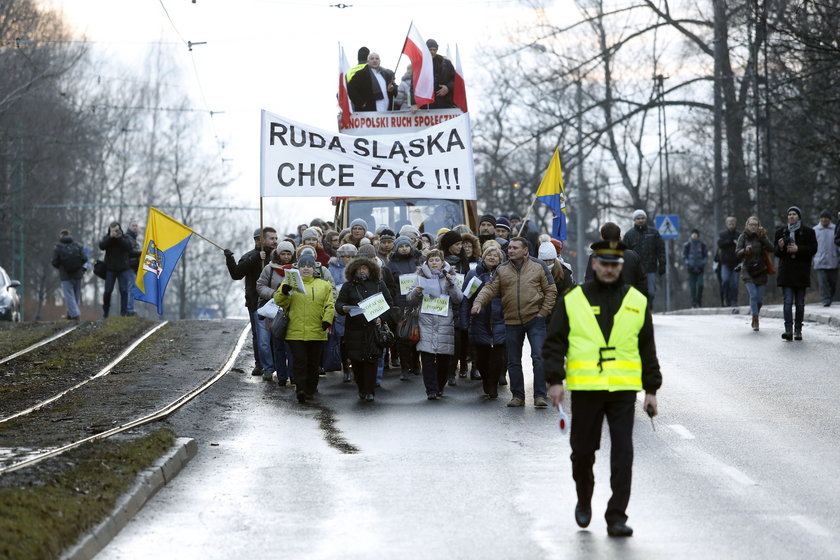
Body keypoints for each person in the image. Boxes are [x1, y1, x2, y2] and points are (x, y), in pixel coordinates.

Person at [543, 240, 662, 538]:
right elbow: (554, 342)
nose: (609, 269)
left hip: (623, 391)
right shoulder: (573, 299)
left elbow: (647, 348)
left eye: (614, 265)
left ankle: (617, 515)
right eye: (603, 264)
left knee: (623, 453)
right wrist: (555, 380)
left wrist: (651, 390)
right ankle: (584, 498)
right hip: (586, 390)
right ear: (594, 264)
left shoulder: (636, 300)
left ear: (620, 267)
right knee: (582, 453)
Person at [471, 237, 557, 408]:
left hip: (535, 319)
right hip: (511, 321)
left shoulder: (538, 266)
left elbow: (551, 290)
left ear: (525, 250)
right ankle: (518, 396)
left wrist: (543, 313)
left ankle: (540, 395)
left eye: (515, 248)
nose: (510, 250)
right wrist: (478, 302)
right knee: (513, 361)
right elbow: (489, 288)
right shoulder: (502, 270)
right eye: (509, 247)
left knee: (538, 357)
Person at [274, 254, 334, 403]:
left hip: (317, 331)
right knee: (300, 361)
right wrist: (285, 291)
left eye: (309, 266)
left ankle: (310, 390)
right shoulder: (289, 283)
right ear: (298, 268)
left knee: (313, 363)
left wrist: (327, 320)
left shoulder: (324, 285)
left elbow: (329, 304)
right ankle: (300, 389)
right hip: (295, 331)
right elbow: (279, 301)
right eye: (303, 266)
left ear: (314, 268)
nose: (306, 268)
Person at [335, 253, 395, 401]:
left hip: (373, 330)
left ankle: (369, 391)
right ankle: (361, 388)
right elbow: (339, 304)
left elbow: (389, 305)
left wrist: (381, 318)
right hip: (354, 329)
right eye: (359, 269)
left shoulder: (379, 284)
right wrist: (344, 309)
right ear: (354, 270)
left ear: (371, 269)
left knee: (372, 360)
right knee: (356, 361)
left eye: (365, 268)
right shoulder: (348, 286)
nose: (362, 271)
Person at [408, 249, 463, 399]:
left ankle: (440, 386)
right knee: (427, 358)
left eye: (437, 260)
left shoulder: (450, 276)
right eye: (431, 260)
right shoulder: (419, 277)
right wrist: (417, 292)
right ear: (427, 262)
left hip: (444, 321)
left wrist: (451, 283)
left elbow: (458, 298)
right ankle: (431, 390)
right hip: (425, 321)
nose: (434, 263)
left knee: (444, 359)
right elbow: (409, 299)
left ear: (442, 262)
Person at [225, 227, 278, 376]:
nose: (275, 241)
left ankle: (276, 363)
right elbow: (237, 274)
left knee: (276, 334)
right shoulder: (250, 256)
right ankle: (259, 364)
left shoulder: (278, 256)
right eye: (271, 238)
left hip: (276, 302)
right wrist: (230, 259)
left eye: (276, 238)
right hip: (255, 302)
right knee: (259, 335)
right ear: (259, 240)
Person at [462, 245, 507, 398]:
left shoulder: (505, 274)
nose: (492, 257)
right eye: (489, 254)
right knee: (481, 358)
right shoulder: (474, 274)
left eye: (496, 255)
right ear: (484, 256)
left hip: (500, 320)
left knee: (497, 357)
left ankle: (493, 386)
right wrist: (465, 320)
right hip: (479, 321)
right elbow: (466, 299)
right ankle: (486, 381)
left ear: (500, 259)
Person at [774, 206, 817, 340]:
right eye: (789, 214)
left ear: (799, 217)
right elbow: (776, 253)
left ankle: (798, 330)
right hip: (786, 271)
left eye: (794, 214)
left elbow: (813, 249)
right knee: (787, 301)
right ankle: (788, 330)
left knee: (799, 303)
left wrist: (798, 249)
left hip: (801, 272)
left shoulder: (808, 232)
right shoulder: (781, 232)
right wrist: (780, 247)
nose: (791, 216)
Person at [257, 243, 295, 385]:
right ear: (278, 254)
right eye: (283, 254)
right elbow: (260, 286)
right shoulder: (269, 269)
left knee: (291, 346)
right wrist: (274, 294)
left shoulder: (296, 269)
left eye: (288, 254)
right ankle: (282, 376)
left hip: (292, 311)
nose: (286, 257)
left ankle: (293, 374)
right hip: (275, 313)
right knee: (278, 346)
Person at [386, 236, 423, 381]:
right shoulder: (391, 264)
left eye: (407, 246)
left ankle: (416, 363)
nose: (404, 248)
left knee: (417, 334)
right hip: (400, 304)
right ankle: (404, 367)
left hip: (417, 302)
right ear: (397, 248)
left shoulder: (418, 261)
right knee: (403, 336)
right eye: (401, 246)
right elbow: (389, 284)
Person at [585, 223, 646, 296]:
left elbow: (589, 281)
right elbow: (642, 283)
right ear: (620, 238)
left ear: (602, 238)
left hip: (602, 300)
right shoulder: (633, 256)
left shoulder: (594, 257)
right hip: (630, 301)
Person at [736, 217, 774, 331]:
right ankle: (755, 318)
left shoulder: (761, 236)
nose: (753, 226)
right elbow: (737, 253)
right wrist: (744, 250)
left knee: (760, 299)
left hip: (761, 270)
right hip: (747, 270)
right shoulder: (743, 237)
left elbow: (771, 248)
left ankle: (755, 311)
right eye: (751, 224)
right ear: (746, 225)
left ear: (758, 226)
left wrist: (764, 238)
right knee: (753, 295)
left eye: (755, 225)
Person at [623, 210, 665, 305]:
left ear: (645, 219)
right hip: (635, 270)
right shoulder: (629, 235)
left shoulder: (654, 233)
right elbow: (624, 252)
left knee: (651, 291)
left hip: (651, 268)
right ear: (634, 220)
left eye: (642, 218)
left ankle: (649, 308)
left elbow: (661, 249)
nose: (640, 220)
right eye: (638, 218)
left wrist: (662, 264)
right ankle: (641, 310)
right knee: (636, 292)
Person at [99, 221, 134, 318]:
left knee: (124, 291)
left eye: (117, 229)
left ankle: (124, 313)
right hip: (110, 269)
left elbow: (128, 247)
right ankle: (105, 312)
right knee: (107, 291)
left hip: (123, 269)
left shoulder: (124, 238)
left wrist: (119, 238)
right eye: (113, 230)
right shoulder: (107, 238)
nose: (116, 232)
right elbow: (101, 246)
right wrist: (111, 237)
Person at [52, 229, 86, 321]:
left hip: (65, 276)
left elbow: (54, 262)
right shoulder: (78, 245)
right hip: (78, 274)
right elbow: (84, 258)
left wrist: (62, 267)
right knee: (75, 296)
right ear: (70, 235)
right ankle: (70, 314)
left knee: (69, 296)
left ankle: (75, 315)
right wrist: (79, 267)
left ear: (61, 236)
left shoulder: (58, 247)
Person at [813, 210, 838, 307]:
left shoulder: (835, 229)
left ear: (830, 219)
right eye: (822, 218)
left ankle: (830, 297)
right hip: (819, 261)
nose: (824, 220)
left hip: (833, 260)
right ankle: (825, 299)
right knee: (822, 282)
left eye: (826, 218)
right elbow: (812, 246)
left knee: (833, 283)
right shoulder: (815, 230)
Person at [422, 39, 456, 109]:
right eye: (430, 49)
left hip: (445, 104)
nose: (432, 52)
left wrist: (448, 88)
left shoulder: (446, 64)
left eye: (434, 50)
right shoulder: (420, 64)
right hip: (426, 106)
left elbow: (455, 80)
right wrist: (414, 103)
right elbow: (414, 84)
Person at [716, 216, 741, 307]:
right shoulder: (722, 235)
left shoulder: (739, 235)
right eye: (729, 223)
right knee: (725, 280)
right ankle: (726, 299)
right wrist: (731, 241)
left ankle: (734, 301)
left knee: (734, 283)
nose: (731, 225)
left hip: (736, 262)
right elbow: (720, 244)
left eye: (733, 223)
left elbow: (742, 245)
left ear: (735, 224)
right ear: (726, 224)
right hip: (725, 263)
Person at [682, 228, 708, 308]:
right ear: (691, 235)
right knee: (692, 287)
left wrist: (703, 263)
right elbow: (684, 256)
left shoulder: (702, 245)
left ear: (698, 235)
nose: (694, 235)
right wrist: (688, 263)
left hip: (700, 269)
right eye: (693, 234)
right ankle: (694, 302)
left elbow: (705, 256)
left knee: (700, 285)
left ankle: (699, 300)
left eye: (695, 234)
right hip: (691, 269)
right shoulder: (687, 245)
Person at [124, 220, 142, 316]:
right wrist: (141, 253)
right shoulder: (127, 238)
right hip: (128, 266)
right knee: (131, 287)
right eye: (133, 225)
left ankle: (130, 308)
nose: (135, 227)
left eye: (136, 225)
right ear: (129, 226)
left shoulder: (134, 239)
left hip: (134, 267)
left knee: (132, 288)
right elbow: (129, 252)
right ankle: (130, 309)